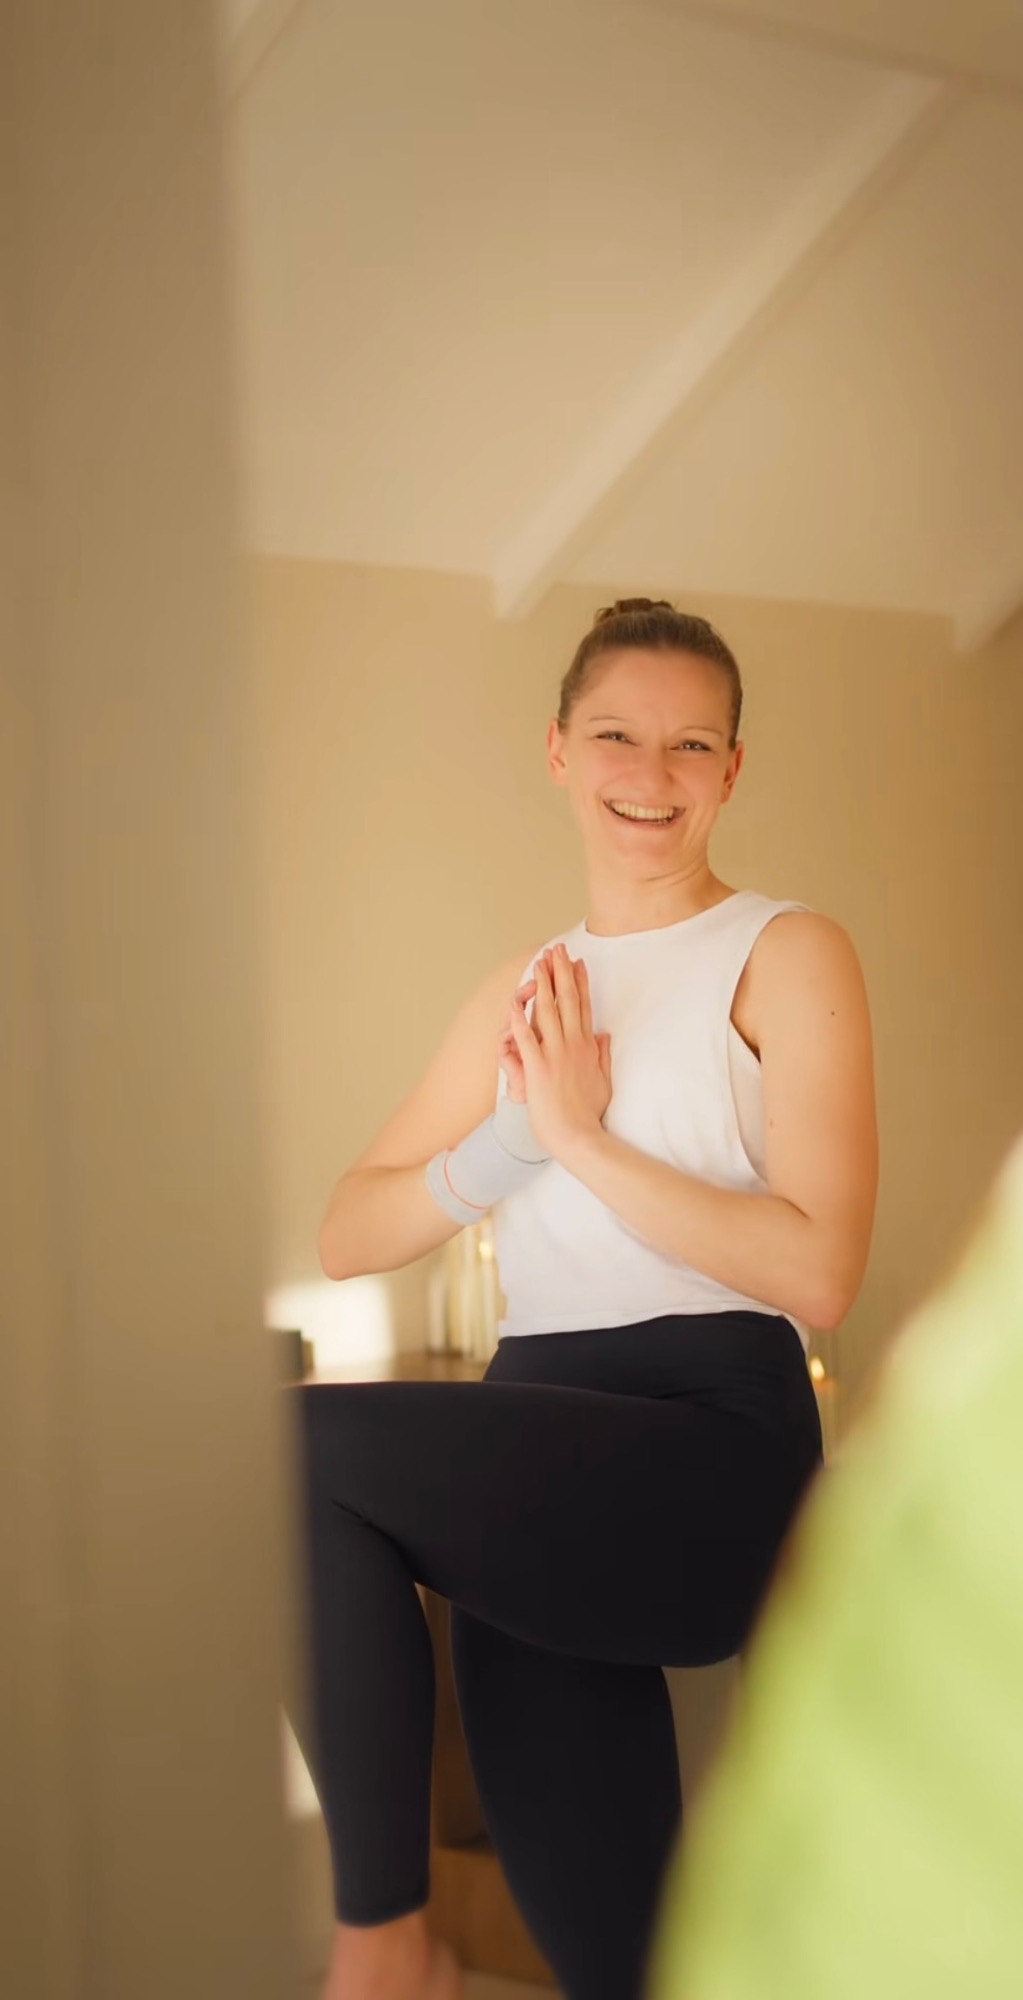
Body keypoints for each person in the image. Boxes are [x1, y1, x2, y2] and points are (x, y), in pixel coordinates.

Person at [293, 598, 879, 2000]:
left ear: (732, 767)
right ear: (559, 751)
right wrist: (510, 1141)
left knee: (291, 1442)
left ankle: (385, 1936)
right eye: (617, 735)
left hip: (711, 1452)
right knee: (617, 1965)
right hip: (538, 1459)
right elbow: (348, 1229)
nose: (651, 773)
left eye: (692, 744)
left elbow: (820, 1271)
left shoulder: (786, 951)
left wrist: (581, 1140)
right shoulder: (524, 991)